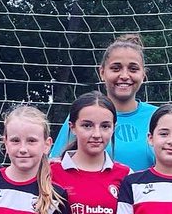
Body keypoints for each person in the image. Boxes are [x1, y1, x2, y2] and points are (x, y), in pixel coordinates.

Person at [49, 34, 157, 170]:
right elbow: (55, 165)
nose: (124, 76)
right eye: (115, 68)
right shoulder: (82, 116)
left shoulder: (158, 117)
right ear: (102, 72)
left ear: (143, 74)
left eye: (133, 69)